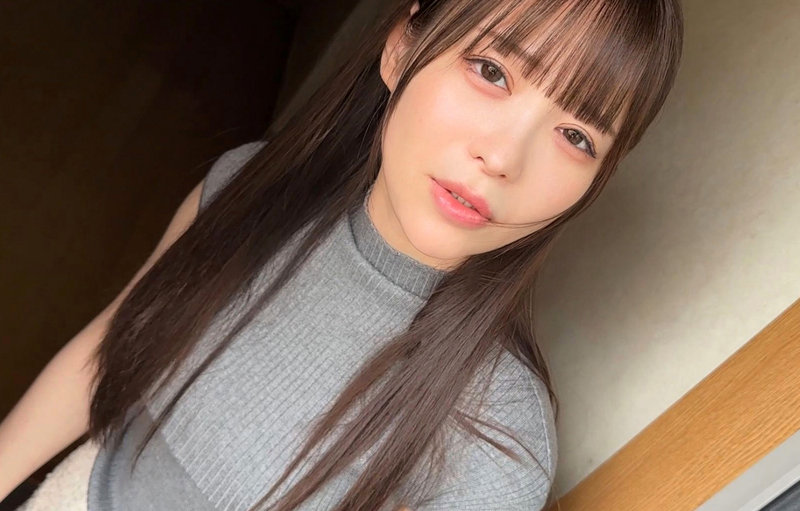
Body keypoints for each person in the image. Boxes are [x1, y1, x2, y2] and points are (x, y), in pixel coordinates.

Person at [0, 0, 684, 509]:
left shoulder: (501, 444)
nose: (504, 157)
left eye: (577, 136)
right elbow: (109, 352)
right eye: (491, 70)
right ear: (401, 49)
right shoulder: (245, 187)